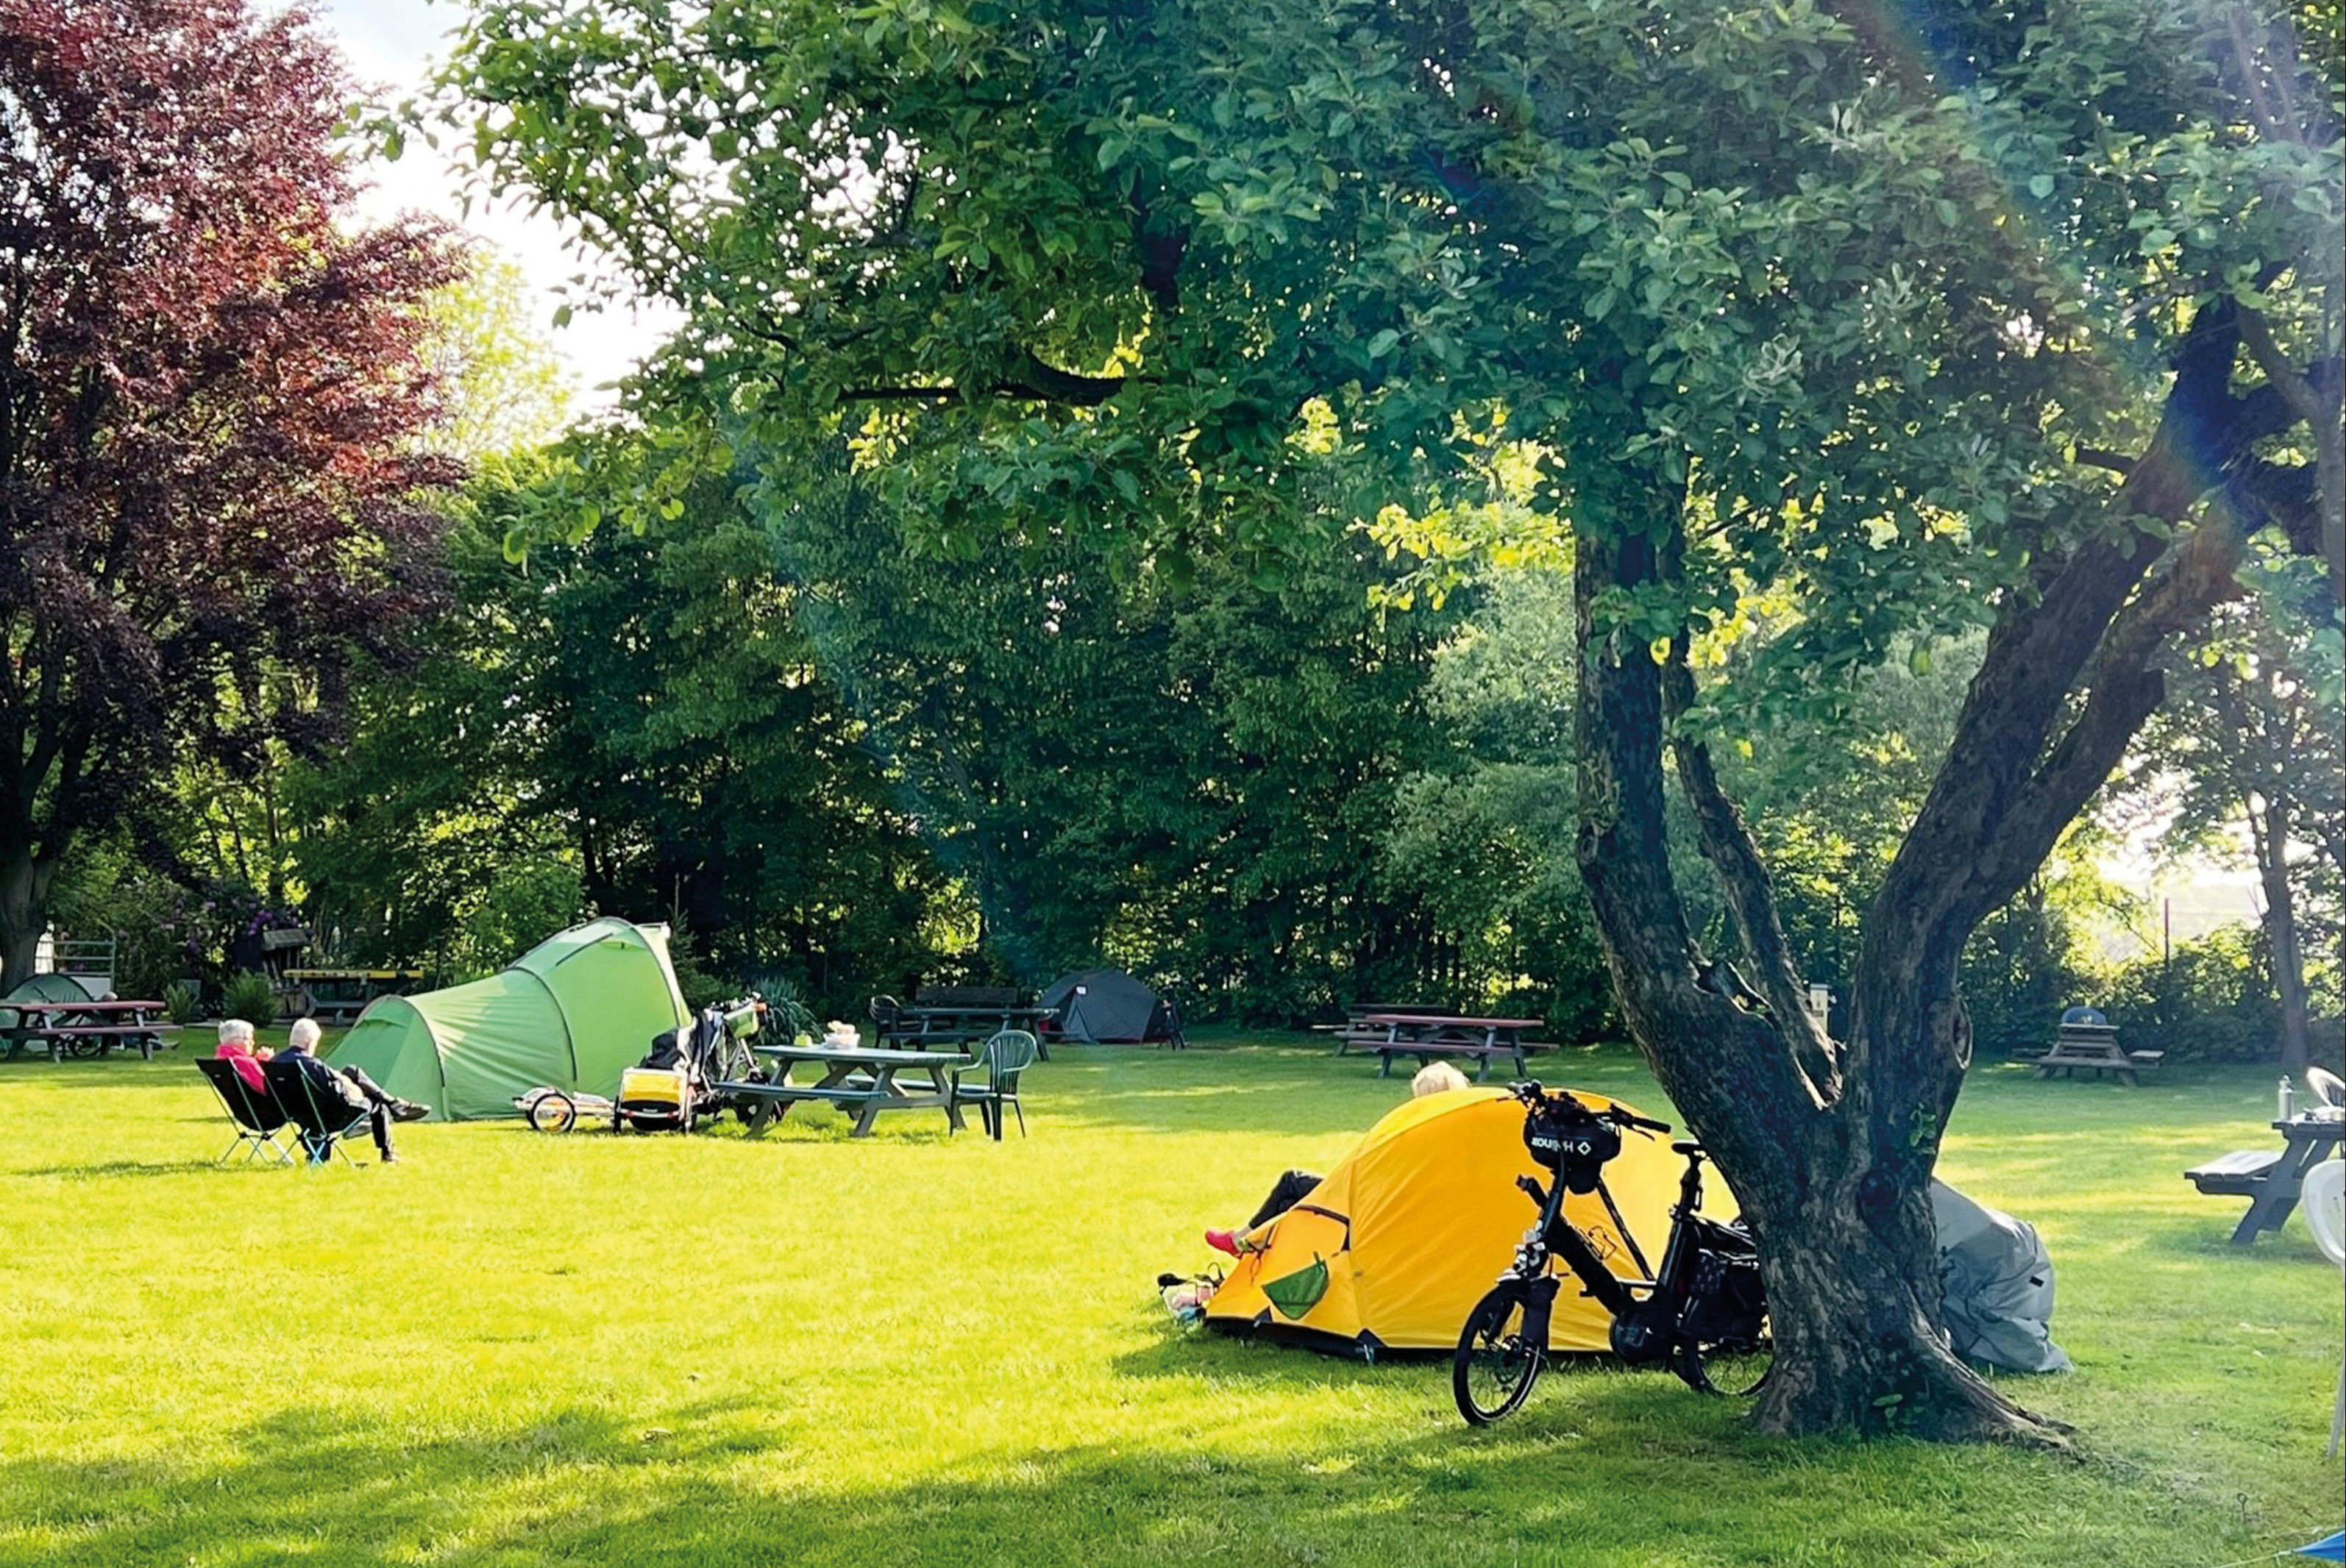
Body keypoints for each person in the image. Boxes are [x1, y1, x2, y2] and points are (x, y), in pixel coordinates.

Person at [1204, 1061, 1474, 1255]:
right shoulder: (1452, 1134)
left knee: (1292, 1181)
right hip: (1379, 1201)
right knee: (1290, 1202)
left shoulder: (1422, 1133)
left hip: (1373, 1206)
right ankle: (1250, 1250)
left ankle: (1242, 1240)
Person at [271, 1016, 427, 1162]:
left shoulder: (274, 1064)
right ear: (309, 1043)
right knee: (376, 1102)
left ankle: (394, 1105)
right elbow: (341, 1095)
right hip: (329, 1118)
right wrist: (348, 1085)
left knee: (352, 1071)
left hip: (301, 1117)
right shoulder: (312, 1066)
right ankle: (388, 1151)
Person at [213, 1018, 275, 1094]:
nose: (253, 1043)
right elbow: (269, 1089)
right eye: (249, 1039)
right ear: (235, 1040)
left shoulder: (220, 1059)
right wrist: (268, 1064)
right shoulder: (244, 1062)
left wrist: (258, 1061)